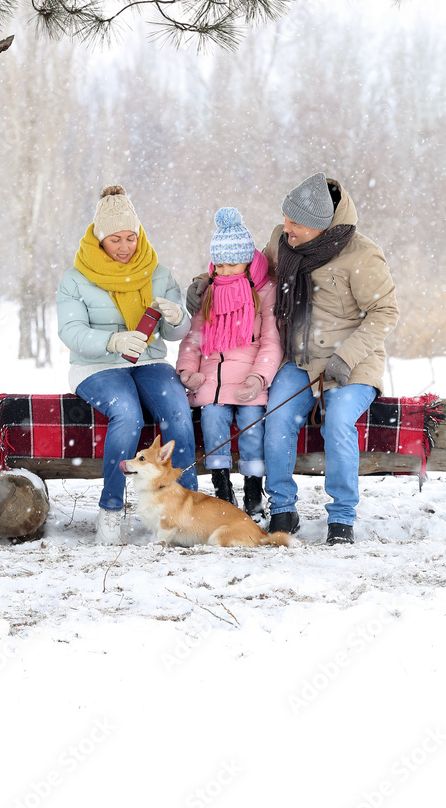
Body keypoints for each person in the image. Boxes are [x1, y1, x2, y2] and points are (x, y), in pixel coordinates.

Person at [189, 174, 399, 545]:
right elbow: (245, 273)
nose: (285, 229)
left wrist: (346, 356)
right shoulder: (280, 241)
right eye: (285, 219)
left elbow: (384, 312)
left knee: (336, 423)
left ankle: (342, 518)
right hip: (299, 360)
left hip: (350, 362)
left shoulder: (362, 254)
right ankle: (283, 507)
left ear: (321, 227)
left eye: (295, 224)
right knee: (278, 417)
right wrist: (205, 283)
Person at [57, 185, 199, 544]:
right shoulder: (76, 278)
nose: (124, 247)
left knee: (177, 414)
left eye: (131, 238)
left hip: (149, 362)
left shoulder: (157, 272)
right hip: (97, 366)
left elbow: (175, 332)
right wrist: (112, 341)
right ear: (99, 238)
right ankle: (110, 510)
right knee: (128, 415)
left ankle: (187, 508)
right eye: (115, 239)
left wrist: (176, 315)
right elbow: (70, 331)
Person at [176, 208, 282, 519]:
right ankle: (222, 491)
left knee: (251, 427)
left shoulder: (265, 292)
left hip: (249, 380)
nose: (225, 272)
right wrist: (187, 370)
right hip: (212, 380)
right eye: (219, 265)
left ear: (249, 262)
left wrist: (259, 377)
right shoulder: (208, 292)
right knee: (212, 424)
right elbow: (194, 339)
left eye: (232, 264)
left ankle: (253, 492)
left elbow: (271, 342)